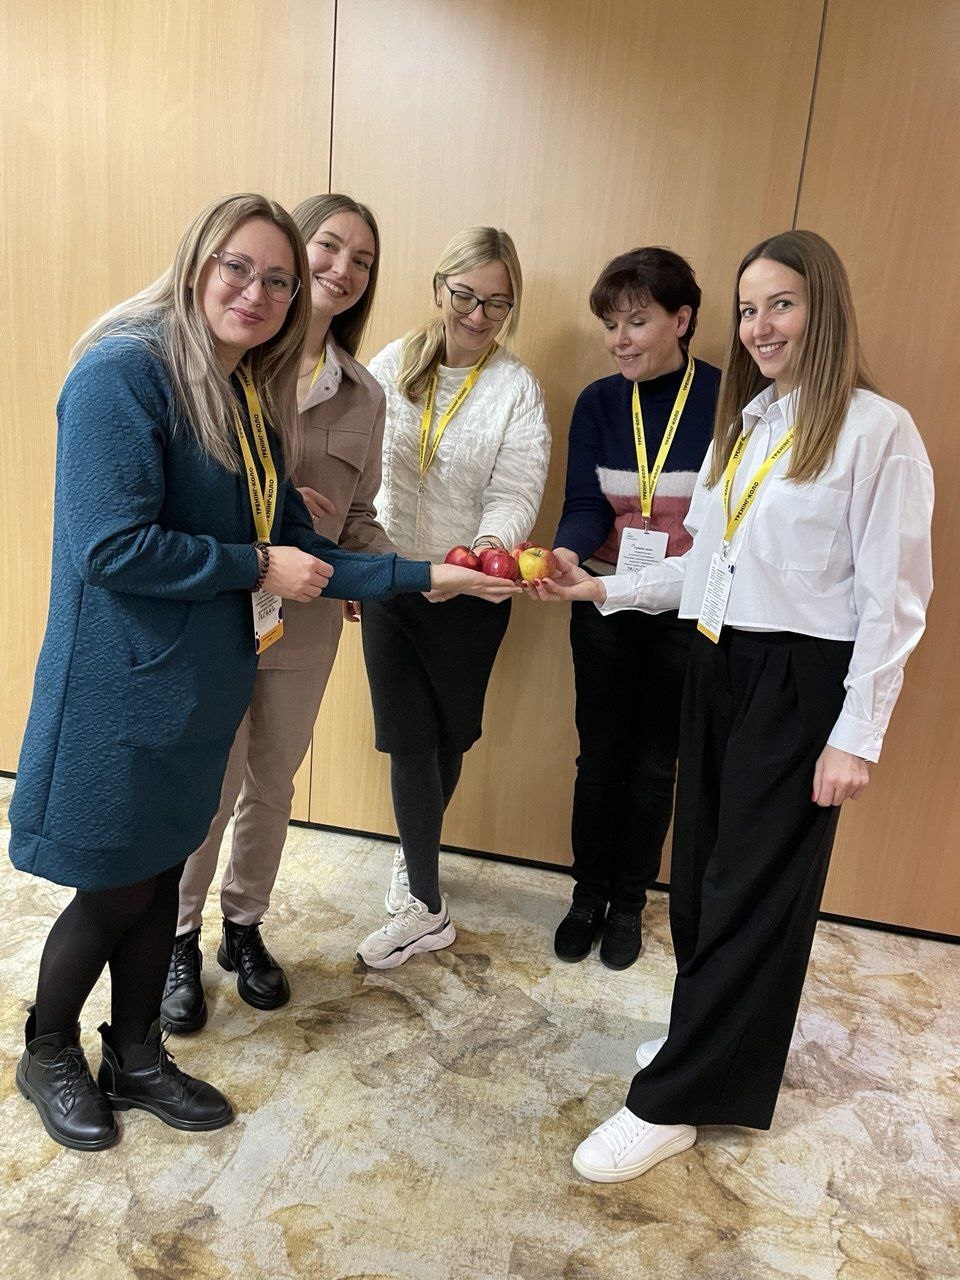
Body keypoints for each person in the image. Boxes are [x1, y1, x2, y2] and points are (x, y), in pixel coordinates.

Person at [9, 193, 509, 1152]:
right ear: (197, 261)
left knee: (160, 877)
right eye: (239, 267)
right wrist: (252, 565)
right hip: (121, 688)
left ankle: (136, 1053)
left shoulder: (242, 393)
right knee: (114, 888)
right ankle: (48, 1050)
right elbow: (110, 547)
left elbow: (300, 548)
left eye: (278, 281)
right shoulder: (124, 372)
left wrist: (434, 576)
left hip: (197, 689)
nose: (258, 291)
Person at [528, 230, 933, 1182]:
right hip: (716, 661)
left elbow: (895, 601)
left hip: (799, 681)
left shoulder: (878, 431)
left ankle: (672, 1100)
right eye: (749, 309)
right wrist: (602, 590)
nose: (761, 326)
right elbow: (701, 568)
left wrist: (857, 736)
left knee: (752, 890)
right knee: (706, 878)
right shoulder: (746, 425)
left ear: (824, 308)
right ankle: (704, 1042)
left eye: (781, 303)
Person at [163, 194, 396, 1031]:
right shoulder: (233, 357)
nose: (342, 269)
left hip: (307, 614)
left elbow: (359, 513)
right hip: (220, 603)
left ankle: (244, 925)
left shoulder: (364, 393)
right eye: (327, 247)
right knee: (209, 780)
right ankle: (177, 937)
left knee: (273, 778)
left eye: (361, 260)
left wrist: (385, 571)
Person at [356, 226, 551, 969]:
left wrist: (478, 557)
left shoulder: (516, 389)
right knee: (407, 736)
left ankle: (416, 854)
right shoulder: (389, 365)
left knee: (447, 737)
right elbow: (363, 473)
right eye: (466, 295)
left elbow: (516, 489)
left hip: (472, 589)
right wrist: (364, 563)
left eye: (497, 304)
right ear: (440, 287)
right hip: (394, 577)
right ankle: (426, 903)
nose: (477, 315)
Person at [552, 248, 719, 970]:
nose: (619, 340)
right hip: (601, 599)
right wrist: (566, 552)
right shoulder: (597, 402)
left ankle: (628, 901)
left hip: (683, 608)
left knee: (656, 766)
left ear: (681, 320)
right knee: (598, 760)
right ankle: (585, 895)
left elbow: (724, 524)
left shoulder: (726, 400)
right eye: (610, 324)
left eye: (637, 322)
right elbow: (586, 504)